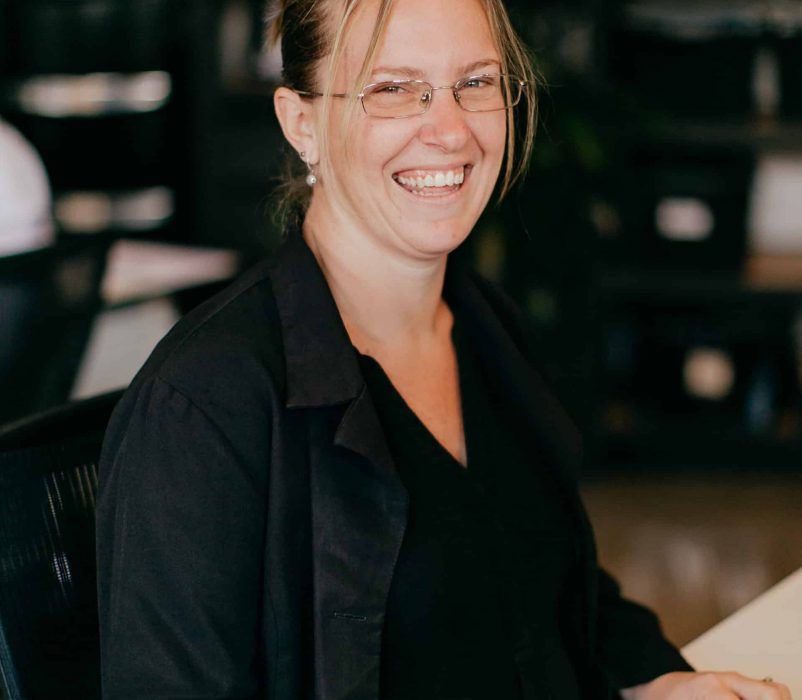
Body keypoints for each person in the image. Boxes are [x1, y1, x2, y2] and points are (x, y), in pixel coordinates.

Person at [95, 0, 792, 698]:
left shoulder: (487, 327)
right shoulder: (204, 412)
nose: (451, 129)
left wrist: (657, 683)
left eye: (478, 83)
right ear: (301, 123)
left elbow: (554, 598)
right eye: (394, 88)